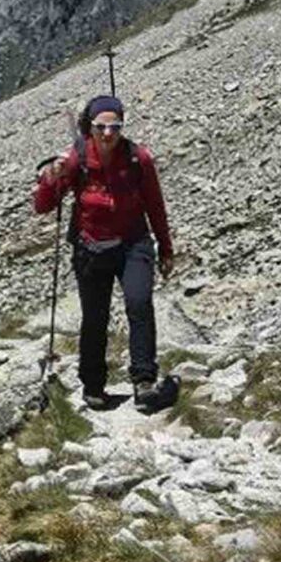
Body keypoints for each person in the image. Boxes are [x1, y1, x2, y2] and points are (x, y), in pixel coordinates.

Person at [32, 94, 178, 411]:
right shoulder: (76, 160)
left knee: (139, 302)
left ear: (122, 126)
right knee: (95, 316)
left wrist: (165, 248)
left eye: (115, 127)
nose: (108, 134)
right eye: (101, 127)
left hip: (133, 243)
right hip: (90, 248)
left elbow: (155, 205)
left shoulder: (139, 159)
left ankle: (144, 380)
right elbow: (43, 206)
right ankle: (94, 385)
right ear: (91, 127)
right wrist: (50, 180)